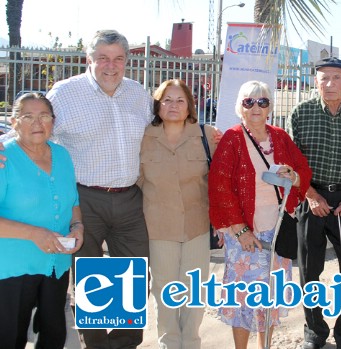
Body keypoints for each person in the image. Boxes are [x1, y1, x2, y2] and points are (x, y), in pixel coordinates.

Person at [46, 30, 153, 348]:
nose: (111, 66)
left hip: (130, 198)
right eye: (103, 58)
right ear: (89, 60)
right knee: (90, 280)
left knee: (131, 277)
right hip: (83, 200)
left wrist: (205, 132)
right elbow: (34, 130)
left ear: (126, 62)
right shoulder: (65, 93)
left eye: (118, 58)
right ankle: (95, 344)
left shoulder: (137, 93)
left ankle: (124, 344)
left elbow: (164, 129)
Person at [208, 80, 312, 349]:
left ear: (270, 107)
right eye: (249, 102)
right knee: (243, 299)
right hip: (245, 233)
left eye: (262, 102)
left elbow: (302, 170)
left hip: (277, 232)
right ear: (240, 107)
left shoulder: (280, 136)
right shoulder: (232, 139)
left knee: (272, 298)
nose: (256, 107)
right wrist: (241, 230)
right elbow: (220, 186)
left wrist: (294, 176)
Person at [287, 57, 341, 349]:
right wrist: (311, 196)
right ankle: (314, 332)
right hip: (311, 199)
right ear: (315, 81)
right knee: (309, 272)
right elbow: (291, 164)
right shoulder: (300, 114)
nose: (329, 84)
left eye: (336, 78)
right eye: (323, 78)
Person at [137, 79, 218, 349]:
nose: (173, 105)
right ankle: (168, 344)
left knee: (195, 291)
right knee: (165, 291)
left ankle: (191, 343)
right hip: (159, 228)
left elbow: (220, 181)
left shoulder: (207, 136)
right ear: (158, 105)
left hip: (196, 226)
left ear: (189, 107)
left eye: (180, 100)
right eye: (167, 100)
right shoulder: (142, 137)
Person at [0, 93, 83, 348]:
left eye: (44, 116)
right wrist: (35, 234)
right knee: (9, 337)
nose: (37, 123)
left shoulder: (62, 155)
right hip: (12, 267)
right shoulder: (4, 159)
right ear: (14, 122)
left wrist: (78, 227)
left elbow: (73, 203)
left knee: (54, 335)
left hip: (55, 264)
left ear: (53, 122)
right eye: (28, 116)